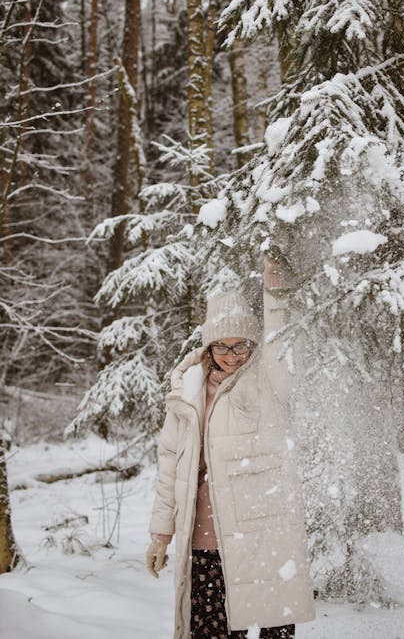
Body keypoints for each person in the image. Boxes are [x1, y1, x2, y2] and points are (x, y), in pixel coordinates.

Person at [146, 251, 315, 639]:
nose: (233, 356)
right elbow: (170, 465)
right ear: (208, 348)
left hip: (263, 537)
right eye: (222, 347)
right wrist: (160, 535)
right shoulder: (187, 390)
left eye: (242, 346)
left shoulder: (269, 378)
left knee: (274, 630)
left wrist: (275, 287)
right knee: (211, 633)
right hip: (204, 540)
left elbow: (279, 331)